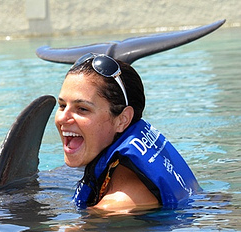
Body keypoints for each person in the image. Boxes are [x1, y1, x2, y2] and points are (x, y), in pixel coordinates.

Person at [55, 53, 200, 214]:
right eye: (62, 106)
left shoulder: (116, 206)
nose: (63, 118)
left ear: (123, 119)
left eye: (82, 109)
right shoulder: (124, 169)